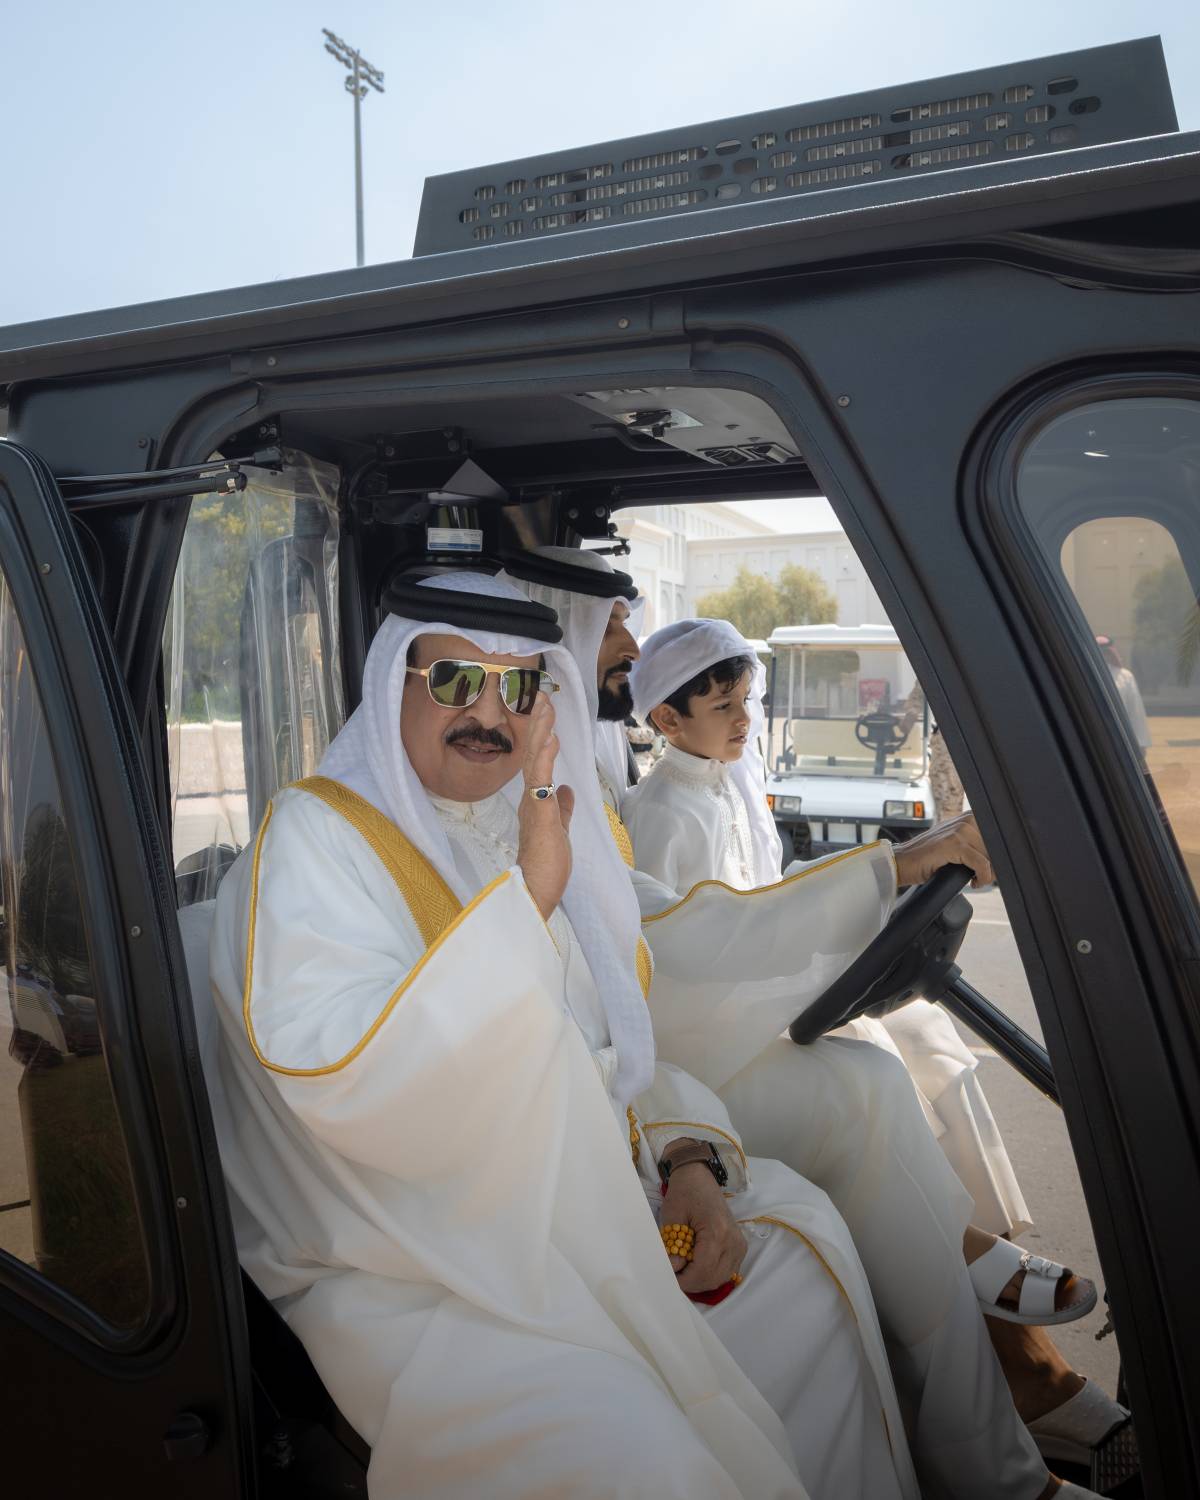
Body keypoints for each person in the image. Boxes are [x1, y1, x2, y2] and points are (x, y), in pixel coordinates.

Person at [208, 570, 936, 1500]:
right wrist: (528, 900)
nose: (488, 714)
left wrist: (683, 1160)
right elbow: (350, 1085)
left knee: (803, 1269)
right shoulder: (317, 840)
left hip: (578, 1207)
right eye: (455, 681)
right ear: (394, 683)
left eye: (517, 687)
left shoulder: (524, 821)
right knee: (644, 1462)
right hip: (422, 1270)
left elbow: (605, 1038)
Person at [503, 550, 1128, 1474]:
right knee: (871, 1085)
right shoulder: (581, 792)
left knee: (913, 1048)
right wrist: (893, 866)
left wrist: (887, 873)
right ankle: (995, 1400)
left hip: (667, 1048)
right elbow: (683, 939)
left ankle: (1007, 1364)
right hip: (642, 1076)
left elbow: (711, 919)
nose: (631, 649)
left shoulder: (592, 776)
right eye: (614, 630)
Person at [625, 616, 1028, 1239]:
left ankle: (991, 1232)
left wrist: (884, 875)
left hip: (761, 994)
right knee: (876, 1069)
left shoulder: (728, 785)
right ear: (668, 720)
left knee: (928, 1029)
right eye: (723, 706)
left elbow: (771, 891)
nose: (743, 719)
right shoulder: (661, 814)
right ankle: (960, 1248)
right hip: (717, 1039)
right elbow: (685, 955)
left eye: (747, 701)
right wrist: (880, 874)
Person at [1095, 636, 1151, 753]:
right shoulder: (1083, 674)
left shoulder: (1125, 676)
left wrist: (1140, 742)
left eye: (1106, 653)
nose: (1103, 656)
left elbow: (1135, 711)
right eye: (1099, 653)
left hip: (1120, 735)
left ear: (1111, 654)